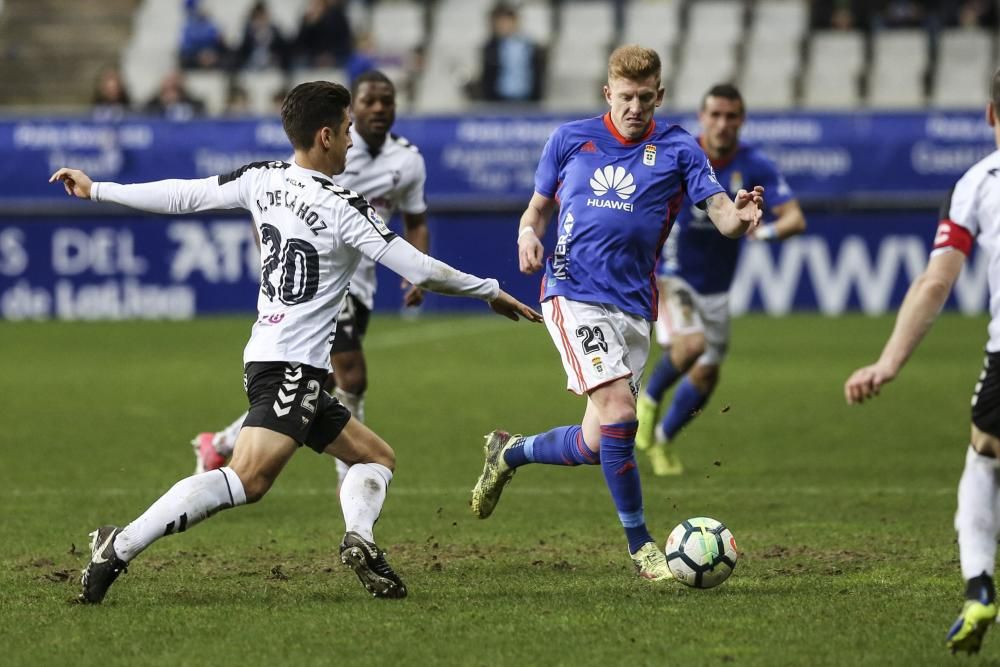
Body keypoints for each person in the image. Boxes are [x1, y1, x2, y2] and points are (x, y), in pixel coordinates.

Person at [51, 80, 542, 605]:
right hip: (289, 364)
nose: (353, 141)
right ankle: (117, 546)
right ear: (326, 136)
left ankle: (362, 539)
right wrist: (490, 290)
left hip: (274, 356)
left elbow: (183, 194)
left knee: (376, 458)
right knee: (248, 479)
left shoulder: (262, 179)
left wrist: (99, 188)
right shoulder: (342, 206)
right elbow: (418, 267)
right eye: (348, 130)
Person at [469, 46, 763, 581]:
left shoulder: (679, 148)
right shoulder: (568, 139)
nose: (635, 108)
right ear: (608, 93)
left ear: (660, 96)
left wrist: (740, 216)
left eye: (645, 98)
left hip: (633, 306)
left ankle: (509, 453)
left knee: (597, 441)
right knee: (621, 415)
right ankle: (641, 546)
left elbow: (721, 214)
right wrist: (526, 234)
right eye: (625, 97)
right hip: (571, 293)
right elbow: (537, 209)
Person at [192, 71, 430, 489]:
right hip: (322, 283)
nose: (378, 109)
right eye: (369, 102)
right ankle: (353, 472)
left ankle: (222, 441)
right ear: (350, 111)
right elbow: (274, 202)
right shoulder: (331, 147)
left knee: (318, 382)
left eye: (386, 101)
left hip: (362, 283)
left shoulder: (408, 160)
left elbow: (416, 219)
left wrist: (419, 272)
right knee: (351, 376)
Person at [844, 67, 1000, 655]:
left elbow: (936, 282)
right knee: (984, 453)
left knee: (984, 458)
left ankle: (980, 587)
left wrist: (887, 363)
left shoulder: (979, 183)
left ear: (990, 115)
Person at [635, 84, 806, 475]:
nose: (723, 124)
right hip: (670, 275)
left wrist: (761, 231)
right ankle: (648, 399)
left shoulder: (755, 163)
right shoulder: (680, 153)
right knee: (691, 344)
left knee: (707, 376)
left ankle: (661, 441)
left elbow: (795, 218)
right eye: (715, 115)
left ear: (741, 120)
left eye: (731, 116)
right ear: (702, 117)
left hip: (716, 289)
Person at [478, 3, 544, 102]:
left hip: (526, 99)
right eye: (500, 22)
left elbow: (537, 73)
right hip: (499, 99)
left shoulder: (529, 45)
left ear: (515, 22)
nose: (503, 26)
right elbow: (487, 76)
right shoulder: (490, 47)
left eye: (507, 21)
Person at [235, 1, 290, 71]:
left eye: (262, 16)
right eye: (258, 16)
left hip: (272, 62)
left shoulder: (274, 29)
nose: (260, 19)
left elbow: (282, 46)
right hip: (251, 63)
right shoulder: (248, 30)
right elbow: (243, 49)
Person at [179, 0, 227, 69]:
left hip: (212, 56)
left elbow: (218, 41)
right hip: (194, 57)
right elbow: (187, 46)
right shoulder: (189, 25)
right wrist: (199, 55)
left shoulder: (212, 25)